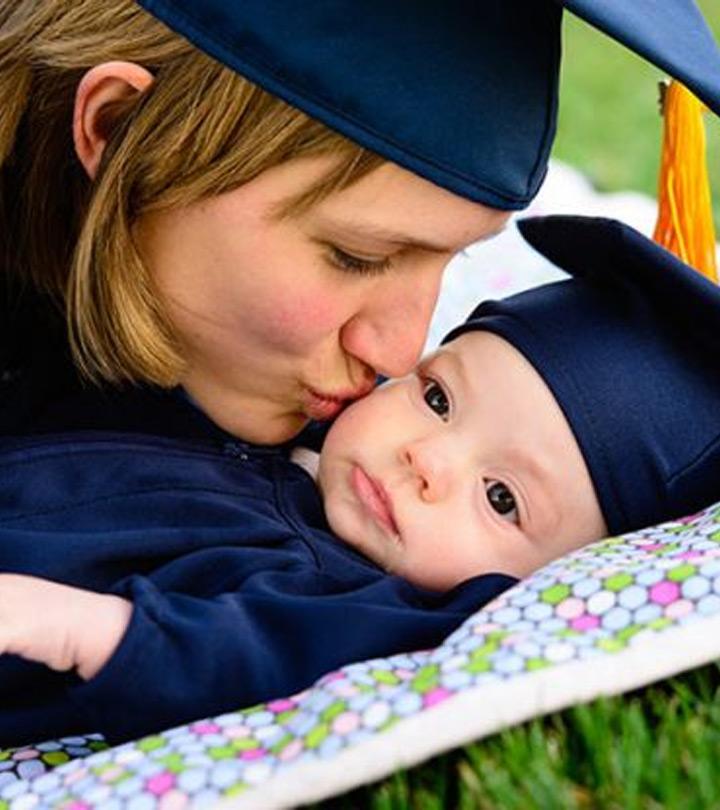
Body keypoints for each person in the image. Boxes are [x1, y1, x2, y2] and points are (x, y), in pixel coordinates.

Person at [2, 215, 720, 747]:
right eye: (437, 399)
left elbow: (277, 657)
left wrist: (84, 631)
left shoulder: (357, 600)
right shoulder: (279, 417)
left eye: (501, 497)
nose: (426, 461)